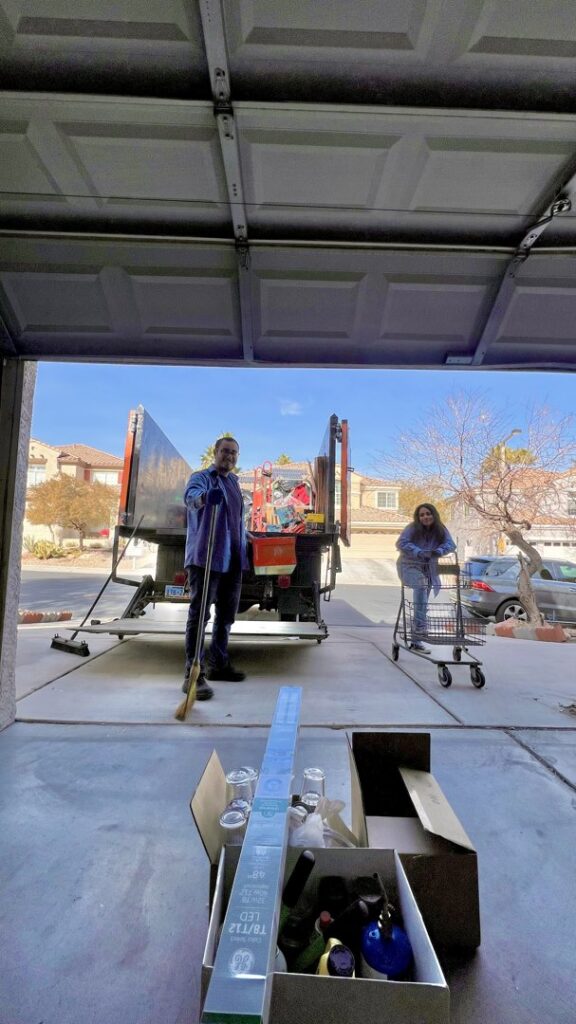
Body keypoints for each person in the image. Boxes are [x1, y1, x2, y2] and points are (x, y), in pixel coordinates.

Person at [182, 436, 249, 700]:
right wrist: (205, 499)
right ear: (215, 452)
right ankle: (192, 675)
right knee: (200, 616)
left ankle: (219, 664)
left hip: (233, 559)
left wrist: (246, 537)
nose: (229, 456)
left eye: (234, 453)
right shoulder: (202, 478)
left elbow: (234, 521)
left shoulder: (234, 483)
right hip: (206, 557)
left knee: (226, 616)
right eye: (225, 451)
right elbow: (190, 498)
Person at [396, 503, 456, 654]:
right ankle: (420, 631)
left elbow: (450, 544)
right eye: (421, 515)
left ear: (434, 515)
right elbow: (401, 543)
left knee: (422, 602)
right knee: (421, 585)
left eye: (428, 514)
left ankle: (416, 640)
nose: (425, 517)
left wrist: (438, 551)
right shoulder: (412, 528)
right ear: (418, 518)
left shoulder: (440, 530)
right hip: (409, 566)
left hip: (428, 568)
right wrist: (419, 552)